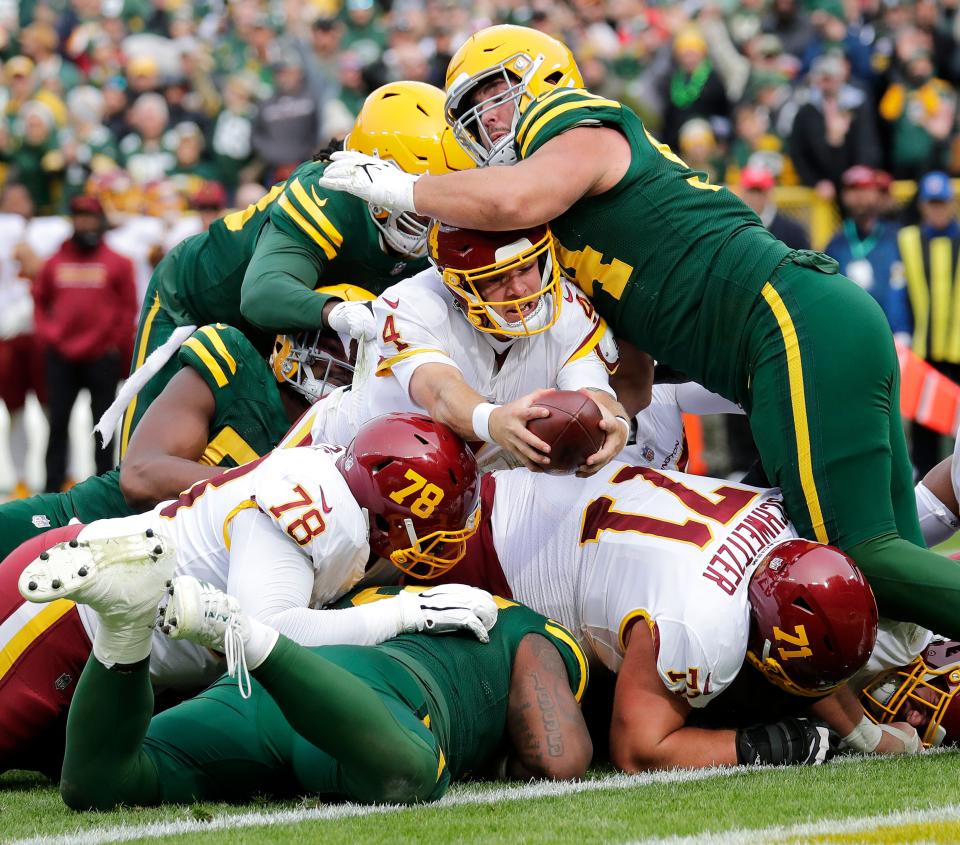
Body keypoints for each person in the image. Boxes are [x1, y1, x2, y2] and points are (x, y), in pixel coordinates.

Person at [319, 24, 960, 641]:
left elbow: (515, 199)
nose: (487, 117)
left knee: (857, 560)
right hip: (793, 330)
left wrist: (410, 187)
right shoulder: (564, 240)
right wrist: (591, 429)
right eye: (473, 107)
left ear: (544, 78)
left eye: (497, 92)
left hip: (786, 319)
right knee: (886, 562)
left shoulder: (575, 121)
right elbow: (634, 380)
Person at [1, 413, 484, 776]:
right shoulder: (318, 510)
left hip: (120, 657)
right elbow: (272, 631)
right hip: (65, 611)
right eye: (435, 525)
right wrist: (405, 612)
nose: (446, 540)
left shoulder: (343, 490)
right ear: (391, 512)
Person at [411, 459, 927, 769]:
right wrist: (762, 746)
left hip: (520, 497)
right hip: (483, 559)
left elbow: (802, 643)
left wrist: (865, 735)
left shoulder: (784, 525)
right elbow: (637, 749)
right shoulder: (700, 623)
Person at [95, 81, 473, 460]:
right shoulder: (330, 192)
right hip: (197, 306)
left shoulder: (425, 223)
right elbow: (262, 295)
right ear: (373, 166)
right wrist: (336, 311)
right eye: (411, 189)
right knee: (147, 465)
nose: (425, 213)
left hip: (287, 343)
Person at [45, 578, 590, 809]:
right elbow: (557, 760)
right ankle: (248, 634)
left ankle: (122, 635)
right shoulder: (534, 629)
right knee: (410, 775)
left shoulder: (368, 582)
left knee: (103, 787)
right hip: (371, 700)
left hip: (270, 688)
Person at [0, 310, 356, 561]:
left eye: (355, 354)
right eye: (330, 346)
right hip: (77, 528)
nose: (342, 365)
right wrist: (268, 485)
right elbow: (141, 478)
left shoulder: (340, 443)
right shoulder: (239, 370)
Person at [276, 222, 627, 474]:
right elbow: (442, 393)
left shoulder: (570, 309)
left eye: (527, 267)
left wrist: (614, 424)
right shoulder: (413, 303)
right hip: (345, 458)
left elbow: (594, 393)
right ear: (457, 285)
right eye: (497, 278)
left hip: (465, 486)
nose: (520, 289)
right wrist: (496, 420)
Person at [32, 195, 136, 492]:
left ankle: (102, 489)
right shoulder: (55, 261)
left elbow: (128, 308)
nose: (84, 222)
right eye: (79, 216)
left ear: (100, 220)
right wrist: (50, 336)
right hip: (61, 358)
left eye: (90, 216)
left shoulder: (118, 262)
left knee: (103, 427)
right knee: (57, 426)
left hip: (101, 358)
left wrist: (111, 343)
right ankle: (52, 490)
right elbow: (39, 301)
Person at [898, 171, 960, 477]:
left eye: (942, 202)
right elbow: (899, 291)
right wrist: (902, 333)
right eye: (932, 203)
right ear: (923, 205)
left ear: (952, 203)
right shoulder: (907, 239)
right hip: (924, 349)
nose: (938, 209)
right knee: (924, 429)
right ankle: (926, 484)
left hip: (958, 348)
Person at [825, 165, 908, 341]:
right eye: (852, 190)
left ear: (877, 193)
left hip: (895, 337)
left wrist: (904, 332)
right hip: (851, 338)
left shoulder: (898, 238)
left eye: (865, 189)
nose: (859, 197)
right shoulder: (835, 244)